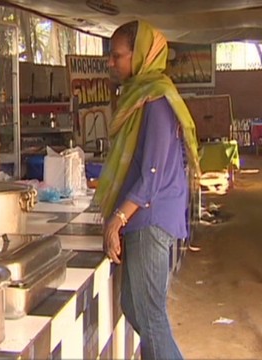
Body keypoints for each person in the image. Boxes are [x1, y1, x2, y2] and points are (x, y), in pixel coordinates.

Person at [94, 21, 200, 360]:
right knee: (134, 306)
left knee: (150, 316)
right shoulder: (141, 95)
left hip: (150, 219)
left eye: (117, 56)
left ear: (140, 55)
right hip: (147, 216)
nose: (111, 63)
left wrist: (118, 219)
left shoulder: (155, 101)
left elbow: (151, 173)